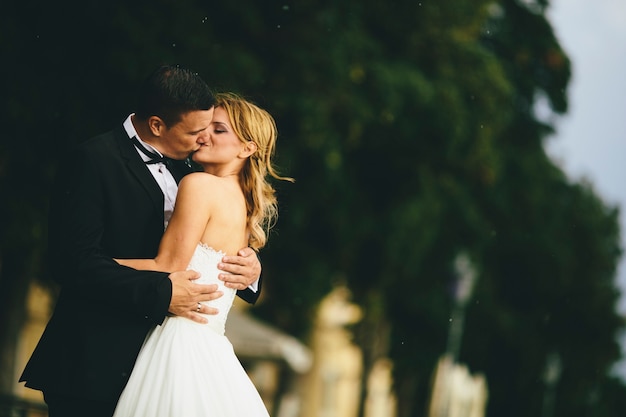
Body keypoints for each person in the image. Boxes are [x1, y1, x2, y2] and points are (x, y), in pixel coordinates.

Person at [19, 66, 262, 417]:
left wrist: (250, 267)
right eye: (195, 131)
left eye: (210, 130)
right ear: (158, 126)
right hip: (95, 362)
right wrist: (163, 292)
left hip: (163, 363)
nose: (202, 139)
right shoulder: (93, 160)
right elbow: (72, 263)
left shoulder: (195, 170)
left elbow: (205, 242)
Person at [111, 92, 293, 416]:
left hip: (178, 342)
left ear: (247, 148)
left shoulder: (200, 185)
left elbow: (167, 265)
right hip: (212, 349)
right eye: (206, 126)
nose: (204, 134)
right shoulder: (244, 203)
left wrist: (93, 263)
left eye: (219, 130)